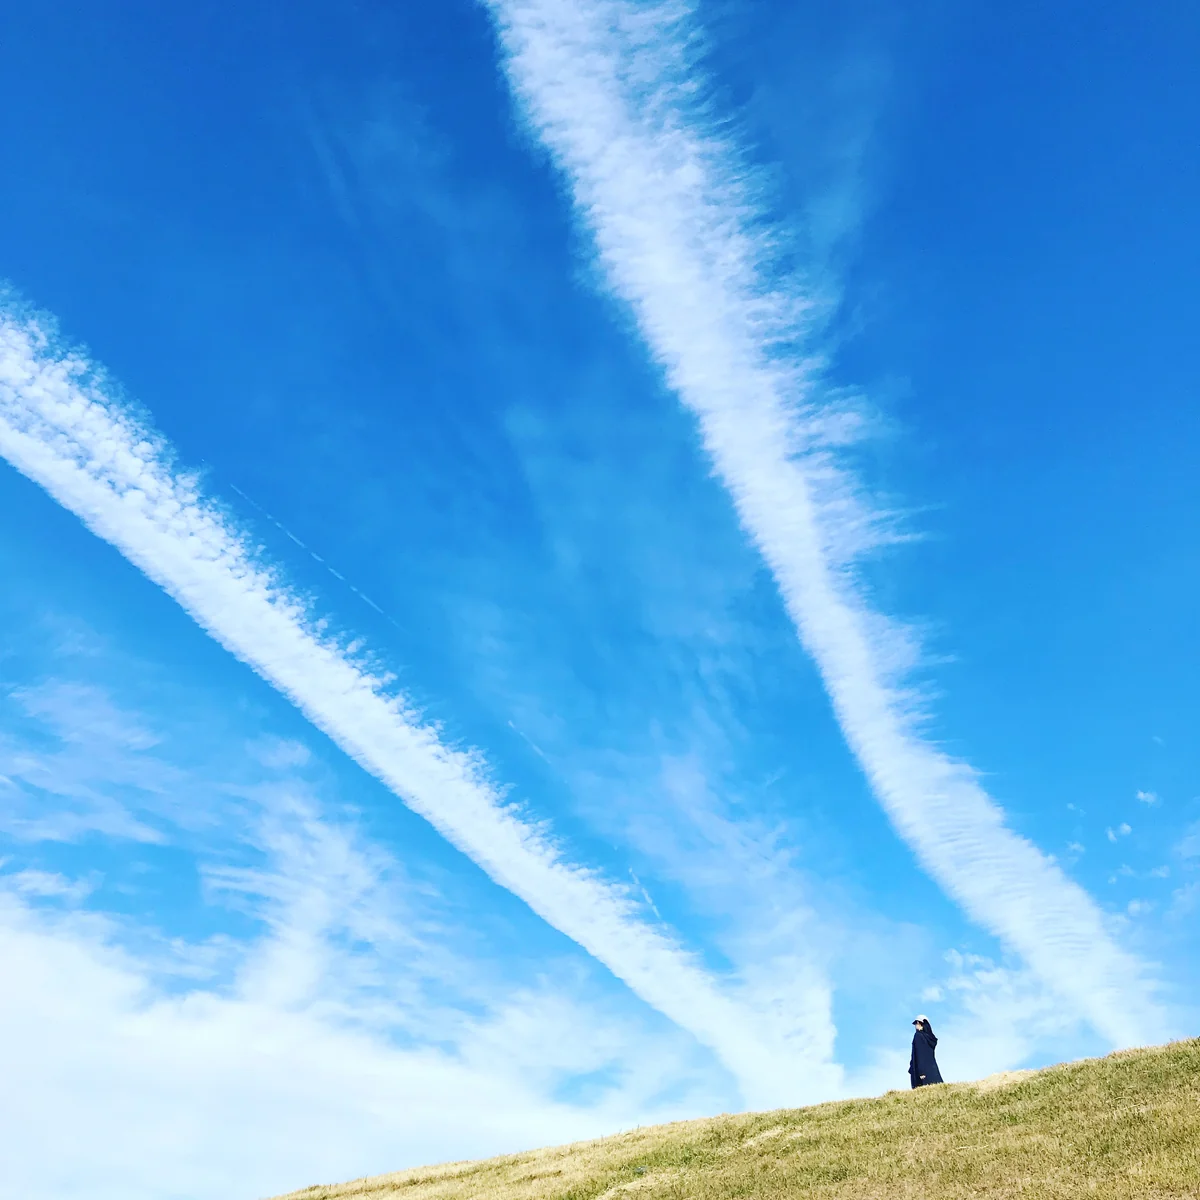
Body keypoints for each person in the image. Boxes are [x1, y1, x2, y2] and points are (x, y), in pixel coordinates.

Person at [909, 1015, 944, 1089]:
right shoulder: (929, 1038)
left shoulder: (918, 1036)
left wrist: (921, 1072)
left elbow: (919, 1054)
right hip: (932, 1070)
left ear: (919, 1023)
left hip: (921, 1072)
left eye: (916, 1023)